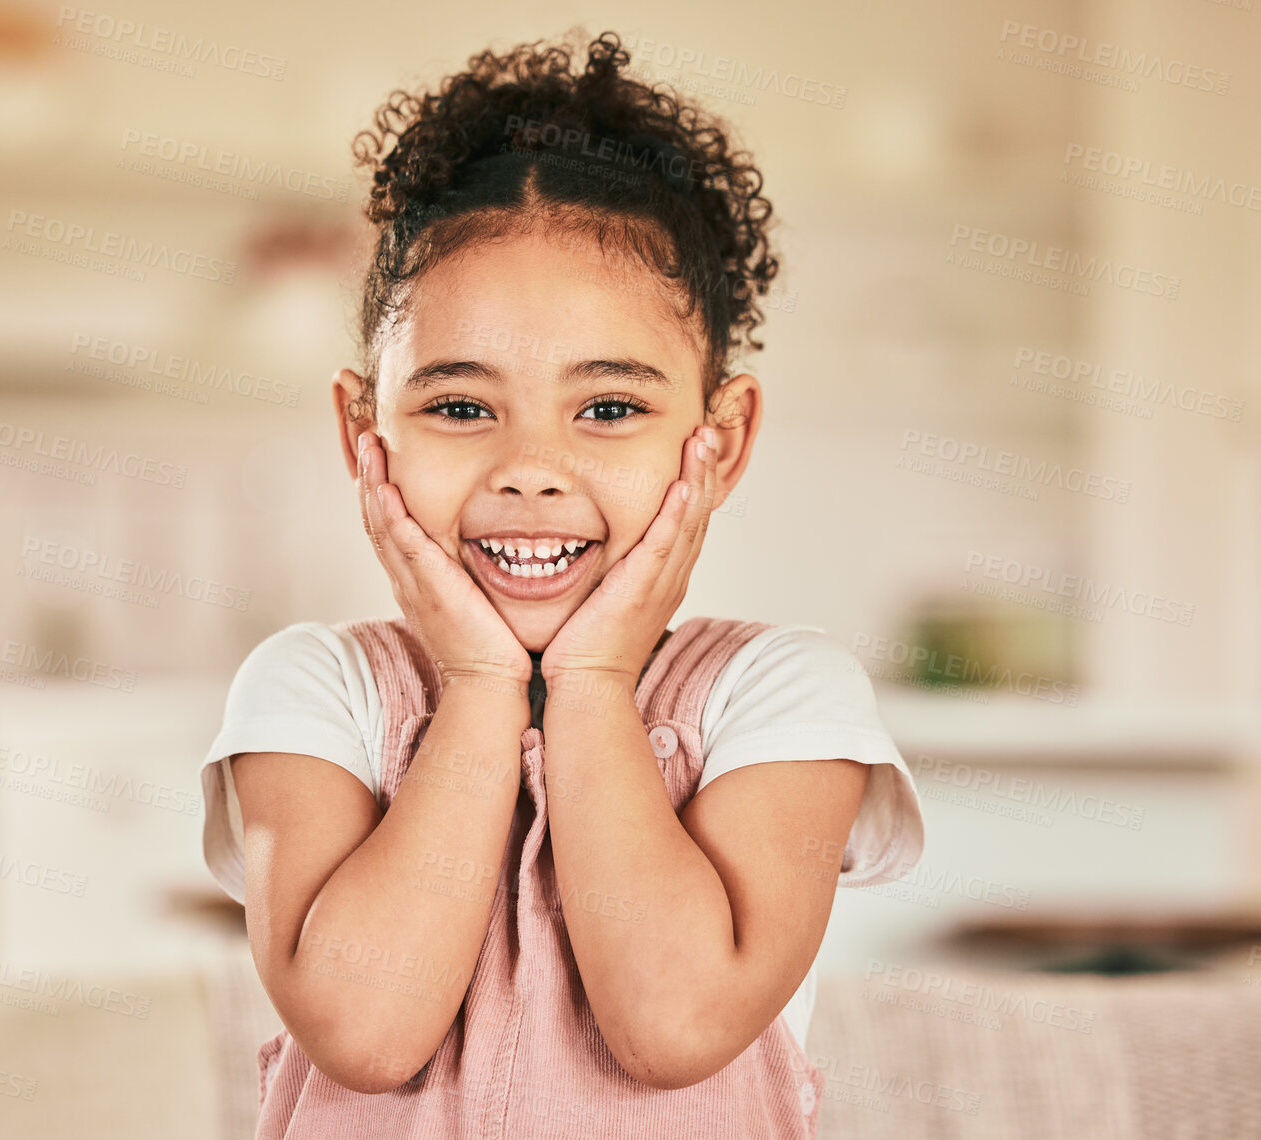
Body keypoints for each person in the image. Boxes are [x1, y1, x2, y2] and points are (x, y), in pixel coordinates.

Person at [198, 29, 924, 1138]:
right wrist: (481, 685)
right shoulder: (311, 691)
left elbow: (672, 1024)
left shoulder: (780, 697)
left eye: (608, 408)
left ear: (719, 441)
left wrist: (588, 681)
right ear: (362, 431)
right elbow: (366, 1032)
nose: (529, 471)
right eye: (456, 407)